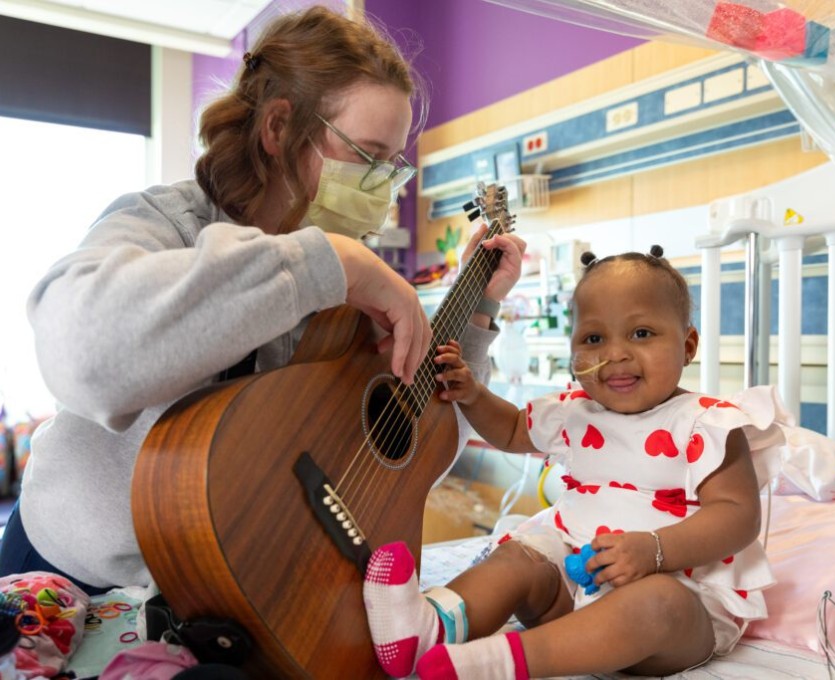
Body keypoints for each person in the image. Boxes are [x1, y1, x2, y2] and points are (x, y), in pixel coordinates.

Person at [0, 5, 525, 595]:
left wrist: (478, 311)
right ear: (279, 128)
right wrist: (332, 263)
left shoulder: (348, 289)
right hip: (71, 578)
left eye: (392, 164)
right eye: (368, 155)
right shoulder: (164, 223)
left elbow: (411, 444)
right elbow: (83, 358)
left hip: (223, 590)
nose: (383, 185)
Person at [362, 246, 778, 679]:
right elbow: (508, 431)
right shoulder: (574, 412)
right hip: (570, 587)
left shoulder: (705, 423)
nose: (615, 354)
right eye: (593, 339)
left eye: (641, 334)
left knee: (656, 601)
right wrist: (473, 395)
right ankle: (430, 624)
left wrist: (655, 551)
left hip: (679, 605)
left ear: (687, 344)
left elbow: (738, 515)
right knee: (518, 558)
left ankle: (501, 662)